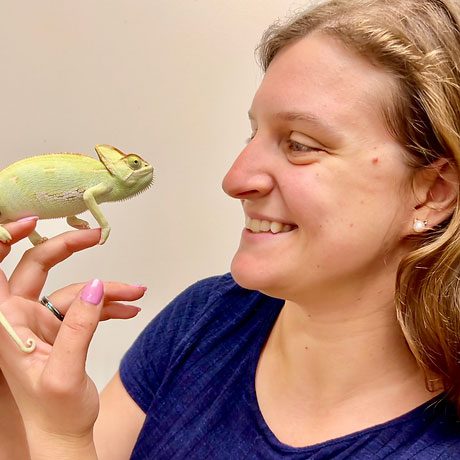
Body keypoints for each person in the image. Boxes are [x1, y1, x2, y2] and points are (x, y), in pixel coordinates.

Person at [1, 0, 460, 458]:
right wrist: (16, 395)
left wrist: (59, 435)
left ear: (432, 191)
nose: (235, 180)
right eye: (253, 135)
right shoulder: (208, 319)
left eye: (300, 145)